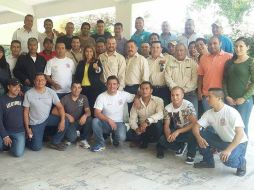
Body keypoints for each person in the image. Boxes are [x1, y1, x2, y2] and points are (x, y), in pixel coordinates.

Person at [192, 88, 248, 177]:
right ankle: (208, 161)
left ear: (219, 98)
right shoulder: (209, 113)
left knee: (227, 160)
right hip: (223, 140)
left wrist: (228, 150)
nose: (206, 99)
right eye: (206, 96)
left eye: (209, 96)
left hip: (239, 143)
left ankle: (241, 162)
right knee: (200, 134)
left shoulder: (231, 112)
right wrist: (199, 138)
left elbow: (240, 134)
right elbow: (196, 127)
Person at [23, 73, 68, 151]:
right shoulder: (29, 94)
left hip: (47, 118)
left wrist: (62, 121)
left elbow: (60, 107)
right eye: (38, 80)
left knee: (65, 120)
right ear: (34, 81)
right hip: (35, 123)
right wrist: (27, 128)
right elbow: (25, 112)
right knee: (36, 147)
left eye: (42, 80)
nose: (40, 82)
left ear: (46, 81)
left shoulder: (51, 92)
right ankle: (26, 139)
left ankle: (55, 142)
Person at [91, 76, 135, 152]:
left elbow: (135, 96)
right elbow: (96, 113)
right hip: (106, 123)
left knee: (121, 137)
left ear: (118, 85)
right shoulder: (101, 96)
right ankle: (101, 144)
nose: (112, 86)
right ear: (106, 85)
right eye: (109, 84)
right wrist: (109, 120)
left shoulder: (123, 94)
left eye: (114, 84)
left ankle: (115, 138)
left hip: (119, 122)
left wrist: (137, 99)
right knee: (95, 121)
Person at [156, 86, 197, 164]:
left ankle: (191, 155)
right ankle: (180, 146)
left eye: (177, 95)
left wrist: (178, 131)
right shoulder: (167, 108)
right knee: (162, 139)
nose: (175, 97)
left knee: (194, 131)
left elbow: (194, 123)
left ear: (182, 95)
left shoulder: (187, 105)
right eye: (172, 95)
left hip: (189, 130)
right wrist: (168, 136)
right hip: (178, 131)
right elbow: (166, 125)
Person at [223, 37, 254, 135]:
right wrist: (227, 96)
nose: (238, 49)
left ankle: (241, 150)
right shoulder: (229, 62)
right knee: (229, 127)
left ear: (247, 47)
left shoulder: (251, 62)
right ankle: (231, 150)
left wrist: (244, 98)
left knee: (242, 128)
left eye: (241, 46)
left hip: (244, 102)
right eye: (236, 46)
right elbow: (224, 80)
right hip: (229, 101)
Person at [52, 81, 92, 148]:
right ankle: (67, 137)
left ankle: (83, 139)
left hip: (79, 122)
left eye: (79, 88)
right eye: (74, 87)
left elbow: (88, 112)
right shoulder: (66, 98)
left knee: (89, 119)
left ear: (81, 89)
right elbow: (53, 111)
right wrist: (66, 115)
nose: (77, 90)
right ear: (71, 88)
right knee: (72, 138)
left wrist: (85, 115)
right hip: (69, 124)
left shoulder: (83, 97)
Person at [198, 36, 232, 111]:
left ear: (220, 44)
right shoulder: (203, 58)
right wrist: (199, 91)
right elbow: (200, 75)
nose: (212, 46)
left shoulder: (229, 57)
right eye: (210, 44)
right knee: (209, 120)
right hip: (207, 95)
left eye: (215, 43)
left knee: (222, 120)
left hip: (222, 95)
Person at [128, 81, 164, 148]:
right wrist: (136, 129)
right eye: (142, 89)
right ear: (140, 91)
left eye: (147, 88)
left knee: (158, 125)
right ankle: (143, 139)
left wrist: (147, 121)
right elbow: (132, 119)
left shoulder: (158, 100)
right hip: (142, 127)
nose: (144, 91)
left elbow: (160, 114)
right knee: (127, 135)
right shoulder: (136, 102)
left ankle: (157, 143)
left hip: (153, 125)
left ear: (151, 90)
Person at [165, 43, 198, 113]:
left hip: (190, 94)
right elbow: (168, 78)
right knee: (177, 119)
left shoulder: (192, 63)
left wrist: (183, 90)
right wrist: (177, 90)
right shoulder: (169, 63)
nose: (179, 52)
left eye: (181, 50)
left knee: (192, 118)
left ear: (185, 51)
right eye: (177, 50)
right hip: (175, 96)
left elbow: (194, 79)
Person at [75, 45, 105, 109]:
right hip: (82, 89)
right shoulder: (81, 63)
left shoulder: (96, 61)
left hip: (93, 89)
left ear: (93, 52)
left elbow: (100, 71)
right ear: (84, 53)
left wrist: (97, 68)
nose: (89, 53)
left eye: (91, 51)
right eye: (87, 51)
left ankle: (92, 118)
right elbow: (76, 75)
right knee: (81, 105)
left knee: (92, 105)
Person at [0, 79, 25, 157]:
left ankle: (12, 143)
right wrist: (4, 135)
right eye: (14, 86)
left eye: (18, 87)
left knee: (18, 153)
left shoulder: (22, 97)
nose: (17, 89)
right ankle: (6, 143)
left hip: (19, 131)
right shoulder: (2, 100)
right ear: (8, 87)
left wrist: (28, 128)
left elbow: (28, 113)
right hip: (5, 130)